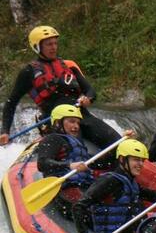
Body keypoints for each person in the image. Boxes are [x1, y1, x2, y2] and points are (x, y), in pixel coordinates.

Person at [0, 25, 120, 154]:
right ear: (37, 47)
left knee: (118, 143)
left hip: (81, 115)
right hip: (55, 121)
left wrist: (88, 99)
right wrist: (5, 131)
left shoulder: (69, 66)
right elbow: (11, 103)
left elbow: (91, 91)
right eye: (48, 44)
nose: (53, 47)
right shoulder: (28, 72)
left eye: (55, 43)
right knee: (77, 151)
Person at [35, 105, 93, 216]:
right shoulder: (52, 139)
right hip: (64, 188)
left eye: (77, 123)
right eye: (72, 122)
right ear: (57, 123)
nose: (76, 126)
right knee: (95, 211)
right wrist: (69, 165)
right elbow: (42, 164)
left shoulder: (78, 144)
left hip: (84, 186)